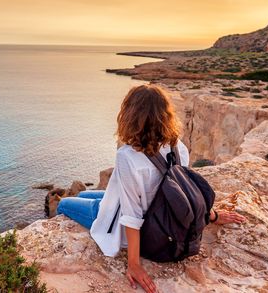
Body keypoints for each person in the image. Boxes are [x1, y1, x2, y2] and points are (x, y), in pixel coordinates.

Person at [57, 85, 246, 293]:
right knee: (84, 193)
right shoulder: (177, 147)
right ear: (165, 116)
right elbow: (184, 189)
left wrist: (134, 264)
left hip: (143, 226)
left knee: (64, 203)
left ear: (130, 115)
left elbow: (131, 215)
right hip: (160, 213)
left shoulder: (128, 155)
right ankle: (92, 202)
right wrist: (212, 215)